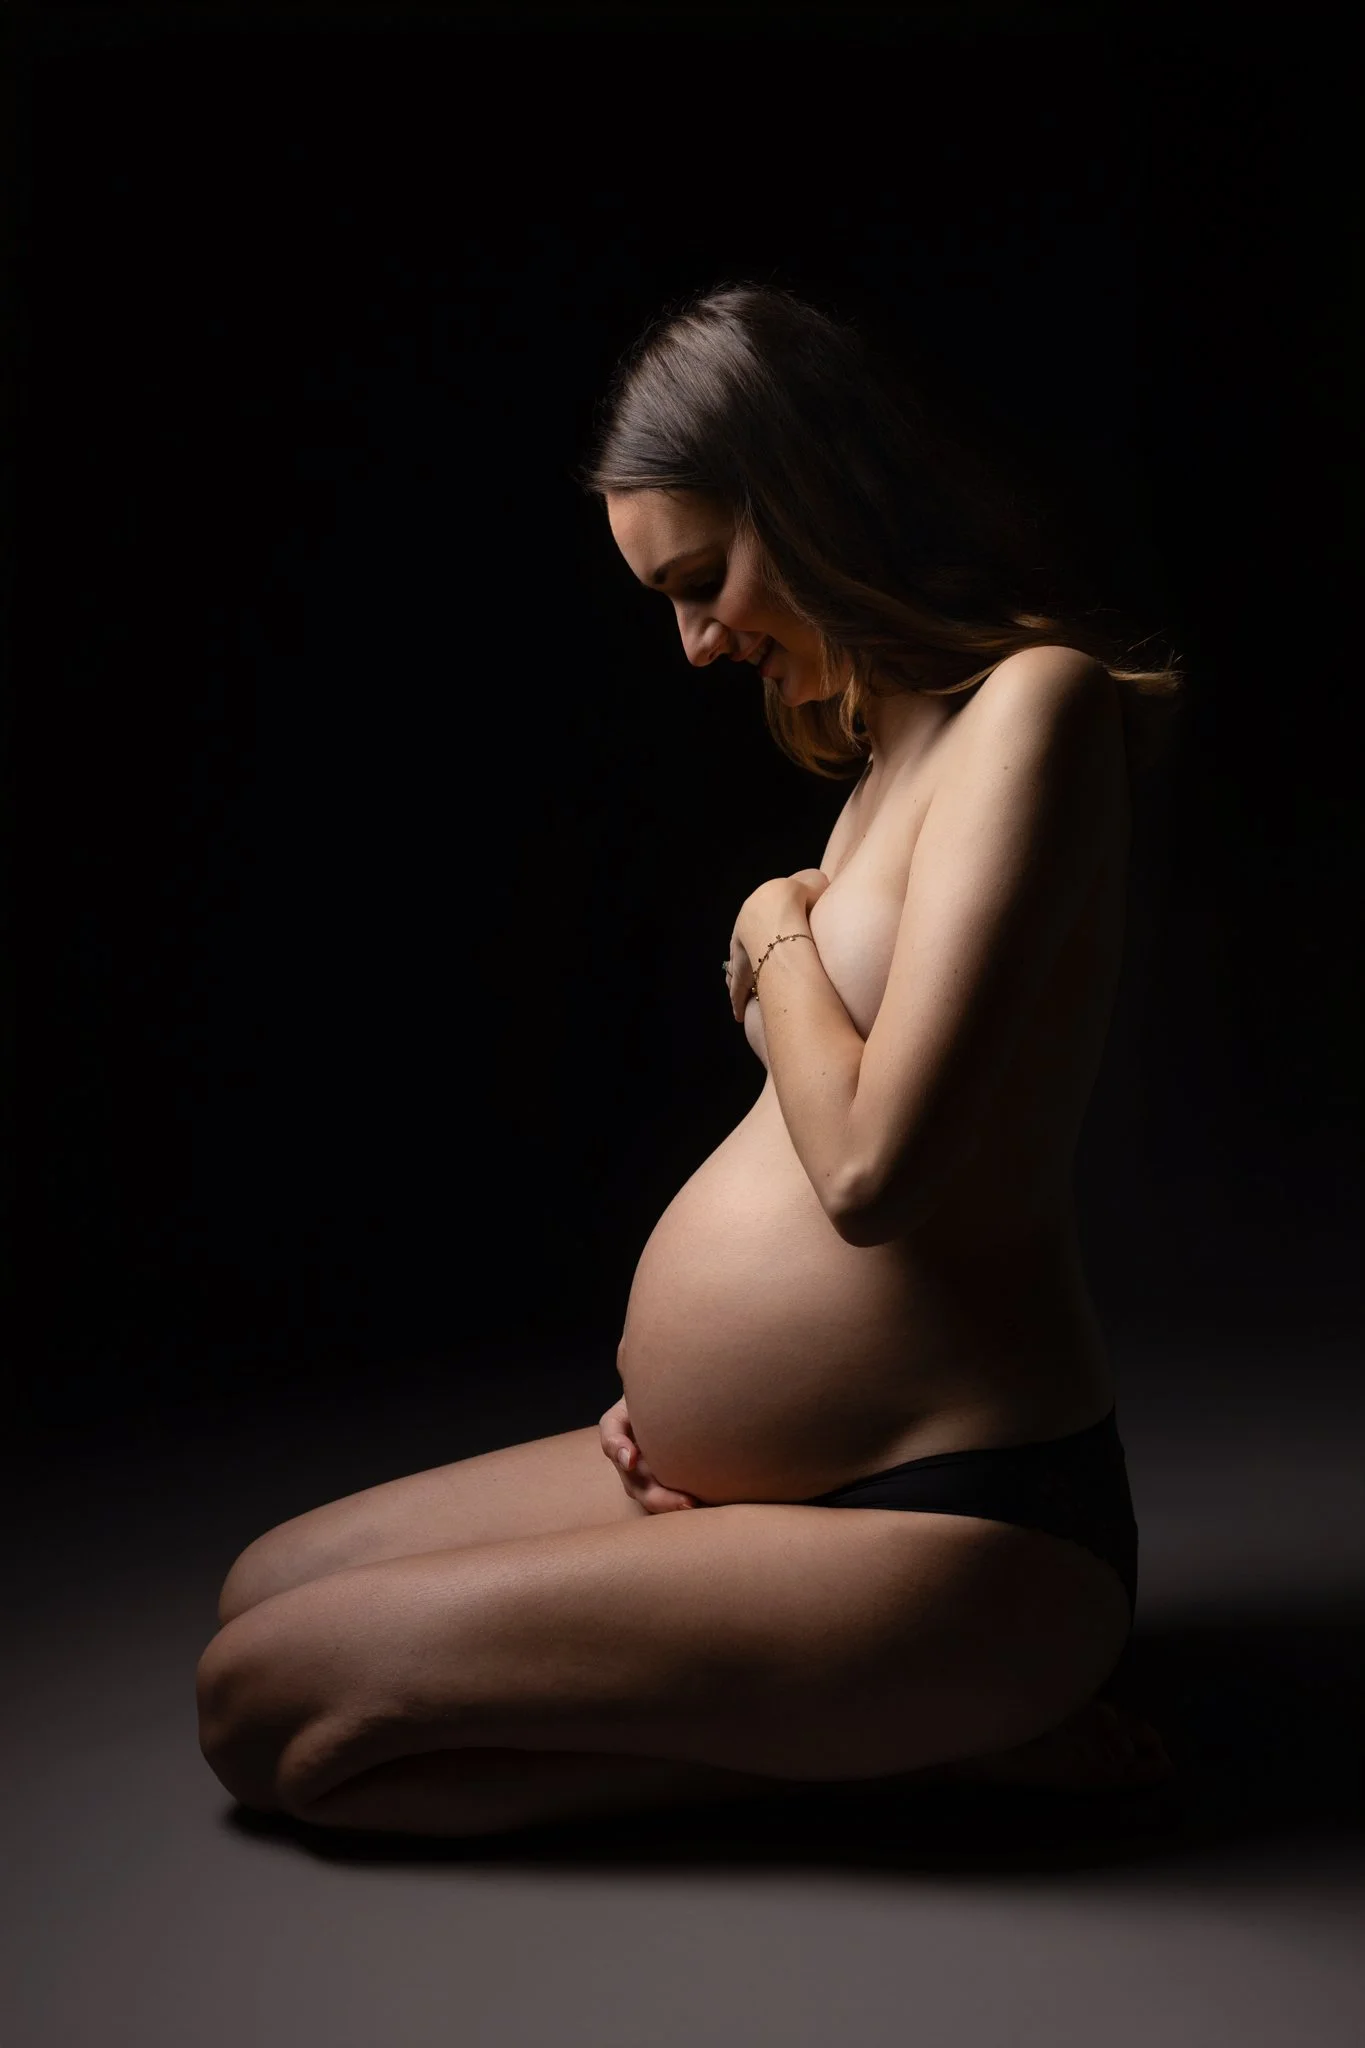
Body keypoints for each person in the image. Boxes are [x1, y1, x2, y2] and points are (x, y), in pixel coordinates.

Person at [198, 286, 1180, 1837]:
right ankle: (852, 1719)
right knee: (265, 1589)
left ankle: (927, 1722)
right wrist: (705, 1394)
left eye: (707, 578)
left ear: (820, 492)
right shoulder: (881, 771)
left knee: (274, 1726)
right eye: (666, 597)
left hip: (954, 1519)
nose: (698, 640)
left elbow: (868, 1175)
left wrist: (770, 928)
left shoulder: (1030, 710)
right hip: (754, 1476)